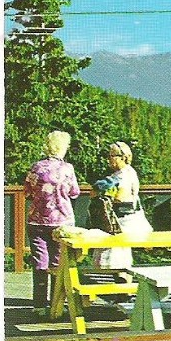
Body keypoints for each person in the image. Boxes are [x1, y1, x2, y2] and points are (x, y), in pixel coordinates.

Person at [24, 130, 81, 316]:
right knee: (58, 263)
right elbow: (74, 193)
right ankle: (56, 305)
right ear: (63, 148)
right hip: (61, 221)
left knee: (40, 263)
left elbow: (27, 192)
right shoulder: (68, 169)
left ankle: (39, 305)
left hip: (37, 220)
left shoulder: (36, 167)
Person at [92, 141, 152, 270]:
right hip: (126, 219)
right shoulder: (125, 172)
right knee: (119, 255)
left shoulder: (124, 175)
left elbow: (121, 197)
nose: (109, 159)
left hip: (125, 221)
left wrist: (102, 195)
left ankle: (120, 284)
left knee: (117, 257)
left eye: (112, 156)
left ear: (123, 157)